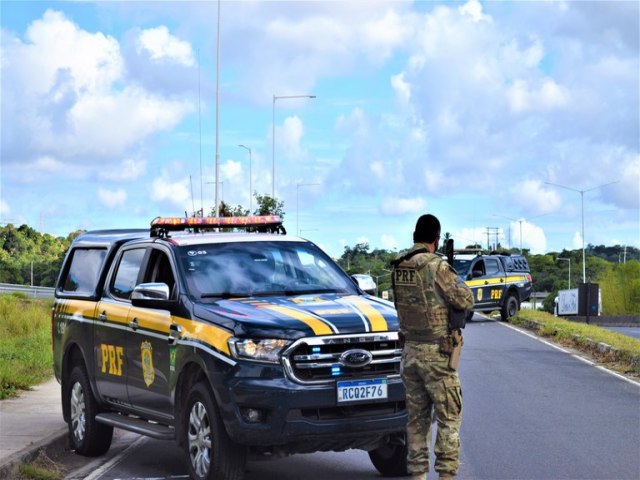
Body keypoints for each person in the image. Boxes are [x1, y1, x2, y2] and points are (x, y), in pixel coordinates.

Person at [391, 214, 473, 480]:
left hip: (410, 353)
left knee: (416, 423)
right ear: (436, 239)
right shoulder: (438, 267)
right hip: (437, 356)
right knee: (449, 420)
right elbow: (465, 300)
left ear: (415, 236)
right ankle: (446, 476)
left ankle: (417, 476)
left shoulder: (398, 267)